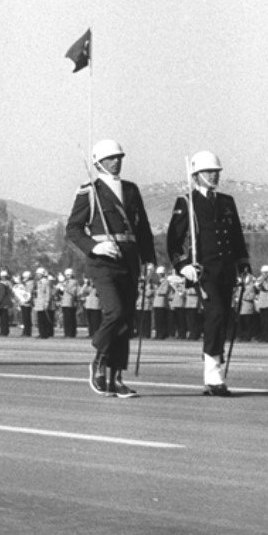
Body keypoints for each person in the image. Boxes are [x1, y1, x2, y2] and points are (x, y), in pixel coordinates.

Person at [66, 138, 156, 397]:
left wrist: (149, 259)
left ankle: (116, 376)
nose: (116, 162)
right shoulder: (89, 190)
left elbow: (143, 229)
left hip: (129, 259)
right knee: (115, 313)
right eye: (110, 158)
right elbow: (73, 228)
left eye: (119, 157)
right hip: (103, 262)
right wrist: (94, 246)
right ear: (97, 163)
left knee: (126, 320)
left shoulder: (131, 189)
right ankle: (98, 360)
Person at [167, 151, 251, 395]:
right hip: (204, 272)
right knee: (214, 316)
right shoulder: (186, 202)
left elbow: (236, 236)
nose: (213, 175)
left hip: (226, 270)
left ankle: (215, 369)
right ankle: (213, 376)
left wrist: (243, 264)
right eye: (208, 172)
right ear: (196, 175)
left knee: (223, 317)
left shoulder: (227, 202)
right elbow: (174, 240)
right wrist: (182, 266)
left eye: (216, 172)